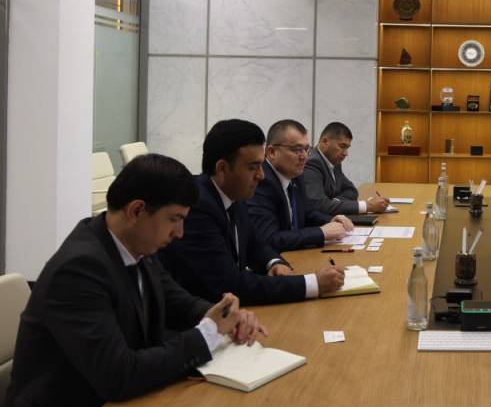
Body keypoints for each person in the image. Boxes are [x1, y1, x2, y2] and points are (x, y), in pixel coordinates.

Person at [0, 154, 265, 407]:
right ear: (136, 211)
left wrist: (227, 316)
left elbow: (177, 302)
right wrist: (207, 333)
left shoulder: (135, 244)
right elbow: (118, 375)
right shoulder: (79, 269)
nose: (180, 233)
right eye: (174, 219)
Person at [160, 119, 344, 305]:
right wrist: (312, 283)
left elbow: (255, 244)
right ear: (222, 169)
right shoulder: (197, 207)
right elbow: (231, 284)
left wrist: (273, 262)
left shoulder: (235, 193)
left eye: (261, 165)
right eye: (252, 167)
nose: (261, 175)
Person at [248, 119, 353, 252]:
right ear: (272, 152)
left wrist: (331, 220)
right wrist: (321, 232)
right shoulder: (261, 182)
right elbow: (269, 239)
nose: (304, 157)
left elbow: (306, 213)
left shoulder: (295, 175)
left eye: (306, 149)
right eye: (297, 149)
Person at [301, 121, 388, 215]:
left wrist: (335, 203)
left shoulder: (334, 161)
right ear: (325, 142)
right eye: (342, 146)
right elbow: (319, 205)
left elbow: (351, 190)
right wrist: (367, 206)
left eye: (347, 148)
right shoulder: (312, 163)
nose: (345, 153)